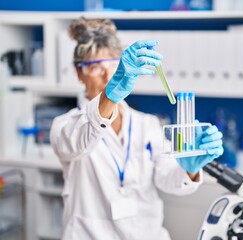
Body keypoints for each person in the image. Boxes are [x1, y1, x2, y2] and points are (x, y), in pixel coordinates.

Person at [50, 17, 224, 240]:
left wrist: (188, 168)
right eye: (95, 67)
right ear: (78, 73)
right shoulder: (65, 126)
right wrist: (109, 96)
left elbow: (167, 180)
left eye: (113, 63)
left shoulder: (147, 124)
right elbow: (79, 140)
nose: (107, 75)